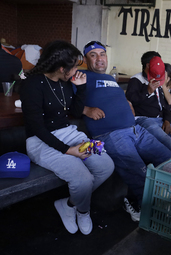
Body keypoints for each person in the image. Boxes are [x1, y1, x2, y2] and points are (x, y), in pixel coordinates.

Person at [20, 40, 114, 235]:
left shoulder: (65, 82)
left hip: (69, 132)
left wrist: (81, 87)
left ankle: (69, 205)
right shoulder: (32, 85)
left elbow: (76, 111)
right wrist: (67, 150)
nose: (77, 69)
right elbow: (37, 127)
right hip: (40, 141)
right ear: (62, 68)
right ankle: (83, 210)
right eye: (74, 66)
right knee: (83, 179)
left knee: (106, 165)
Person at [81, 41, 171, 221]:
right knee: (140, 173)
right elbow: (62, 99)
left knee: (167, 157)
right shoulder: (80, 76)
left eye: (102, 54)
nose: (100, 59)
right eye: (93, 55)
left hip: (135, 129)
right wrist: (85, 110)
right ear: (85, 59)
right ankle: (141, 209)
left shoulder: (109, 78)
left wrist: (126, 103)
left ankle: (164, 197)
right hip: (111, 134)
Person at [125, 52, 171, 154]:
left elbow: (164, 103)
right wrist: (147, 91)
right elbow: (131, 101)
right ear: (148, 65)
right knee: (169, 143)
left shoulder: (157, 78)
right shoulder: (136, 80)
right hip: (144, 119)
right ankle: (163, 165)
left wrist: (167, 120)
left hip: (161, 119)